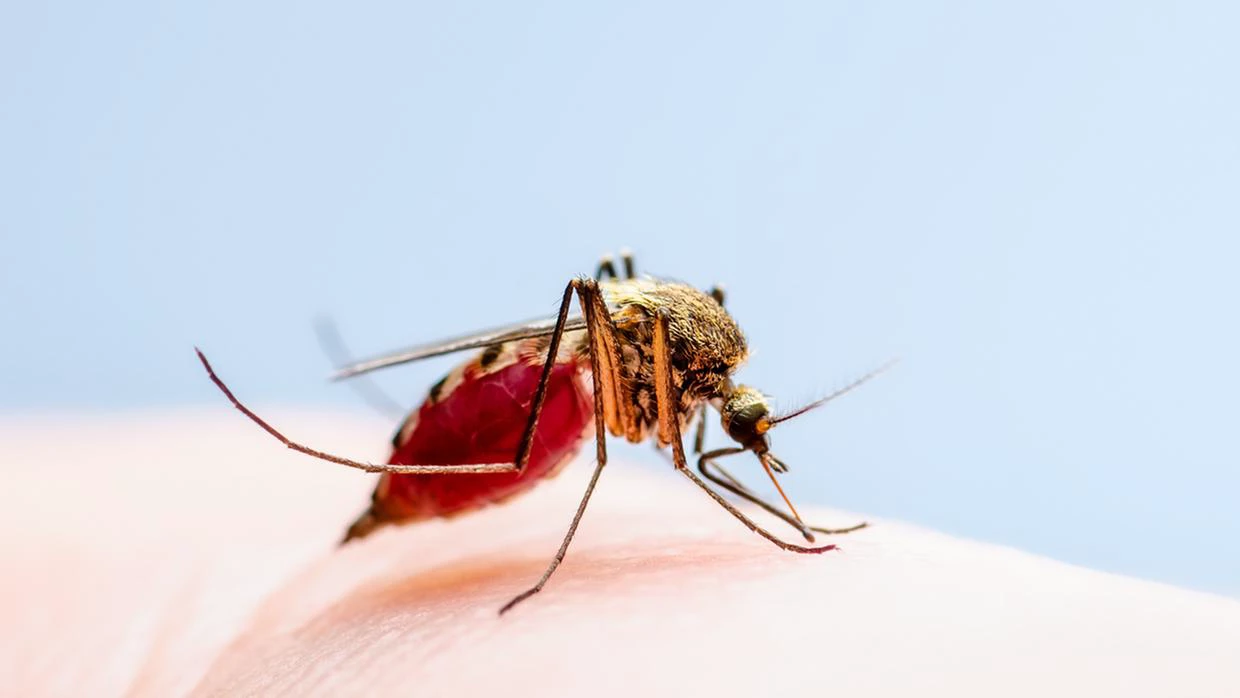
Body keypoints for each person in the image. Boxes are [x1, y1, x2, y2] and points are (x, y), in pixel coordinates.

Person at [3, 411, 1237, 697]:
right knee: (599, 335)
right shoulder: (642, 383)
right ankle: (405, 484)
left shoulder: (698, 392)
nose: (746, 440)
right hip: (536, 395)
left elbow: (709, 446)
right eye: (750, 430)